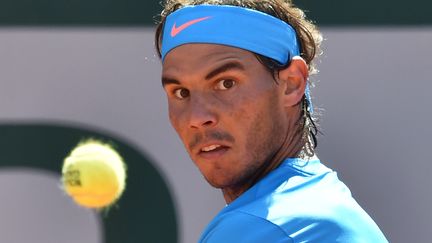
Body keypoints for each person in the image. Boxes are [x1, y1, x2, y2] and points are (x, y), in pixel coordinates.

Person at [154, 0, 388, 242]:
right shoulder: (324, 205)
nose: (197, 118)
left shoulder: (263, 228)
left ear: (291, 84)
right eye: (181, 92)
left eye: (226, 83)